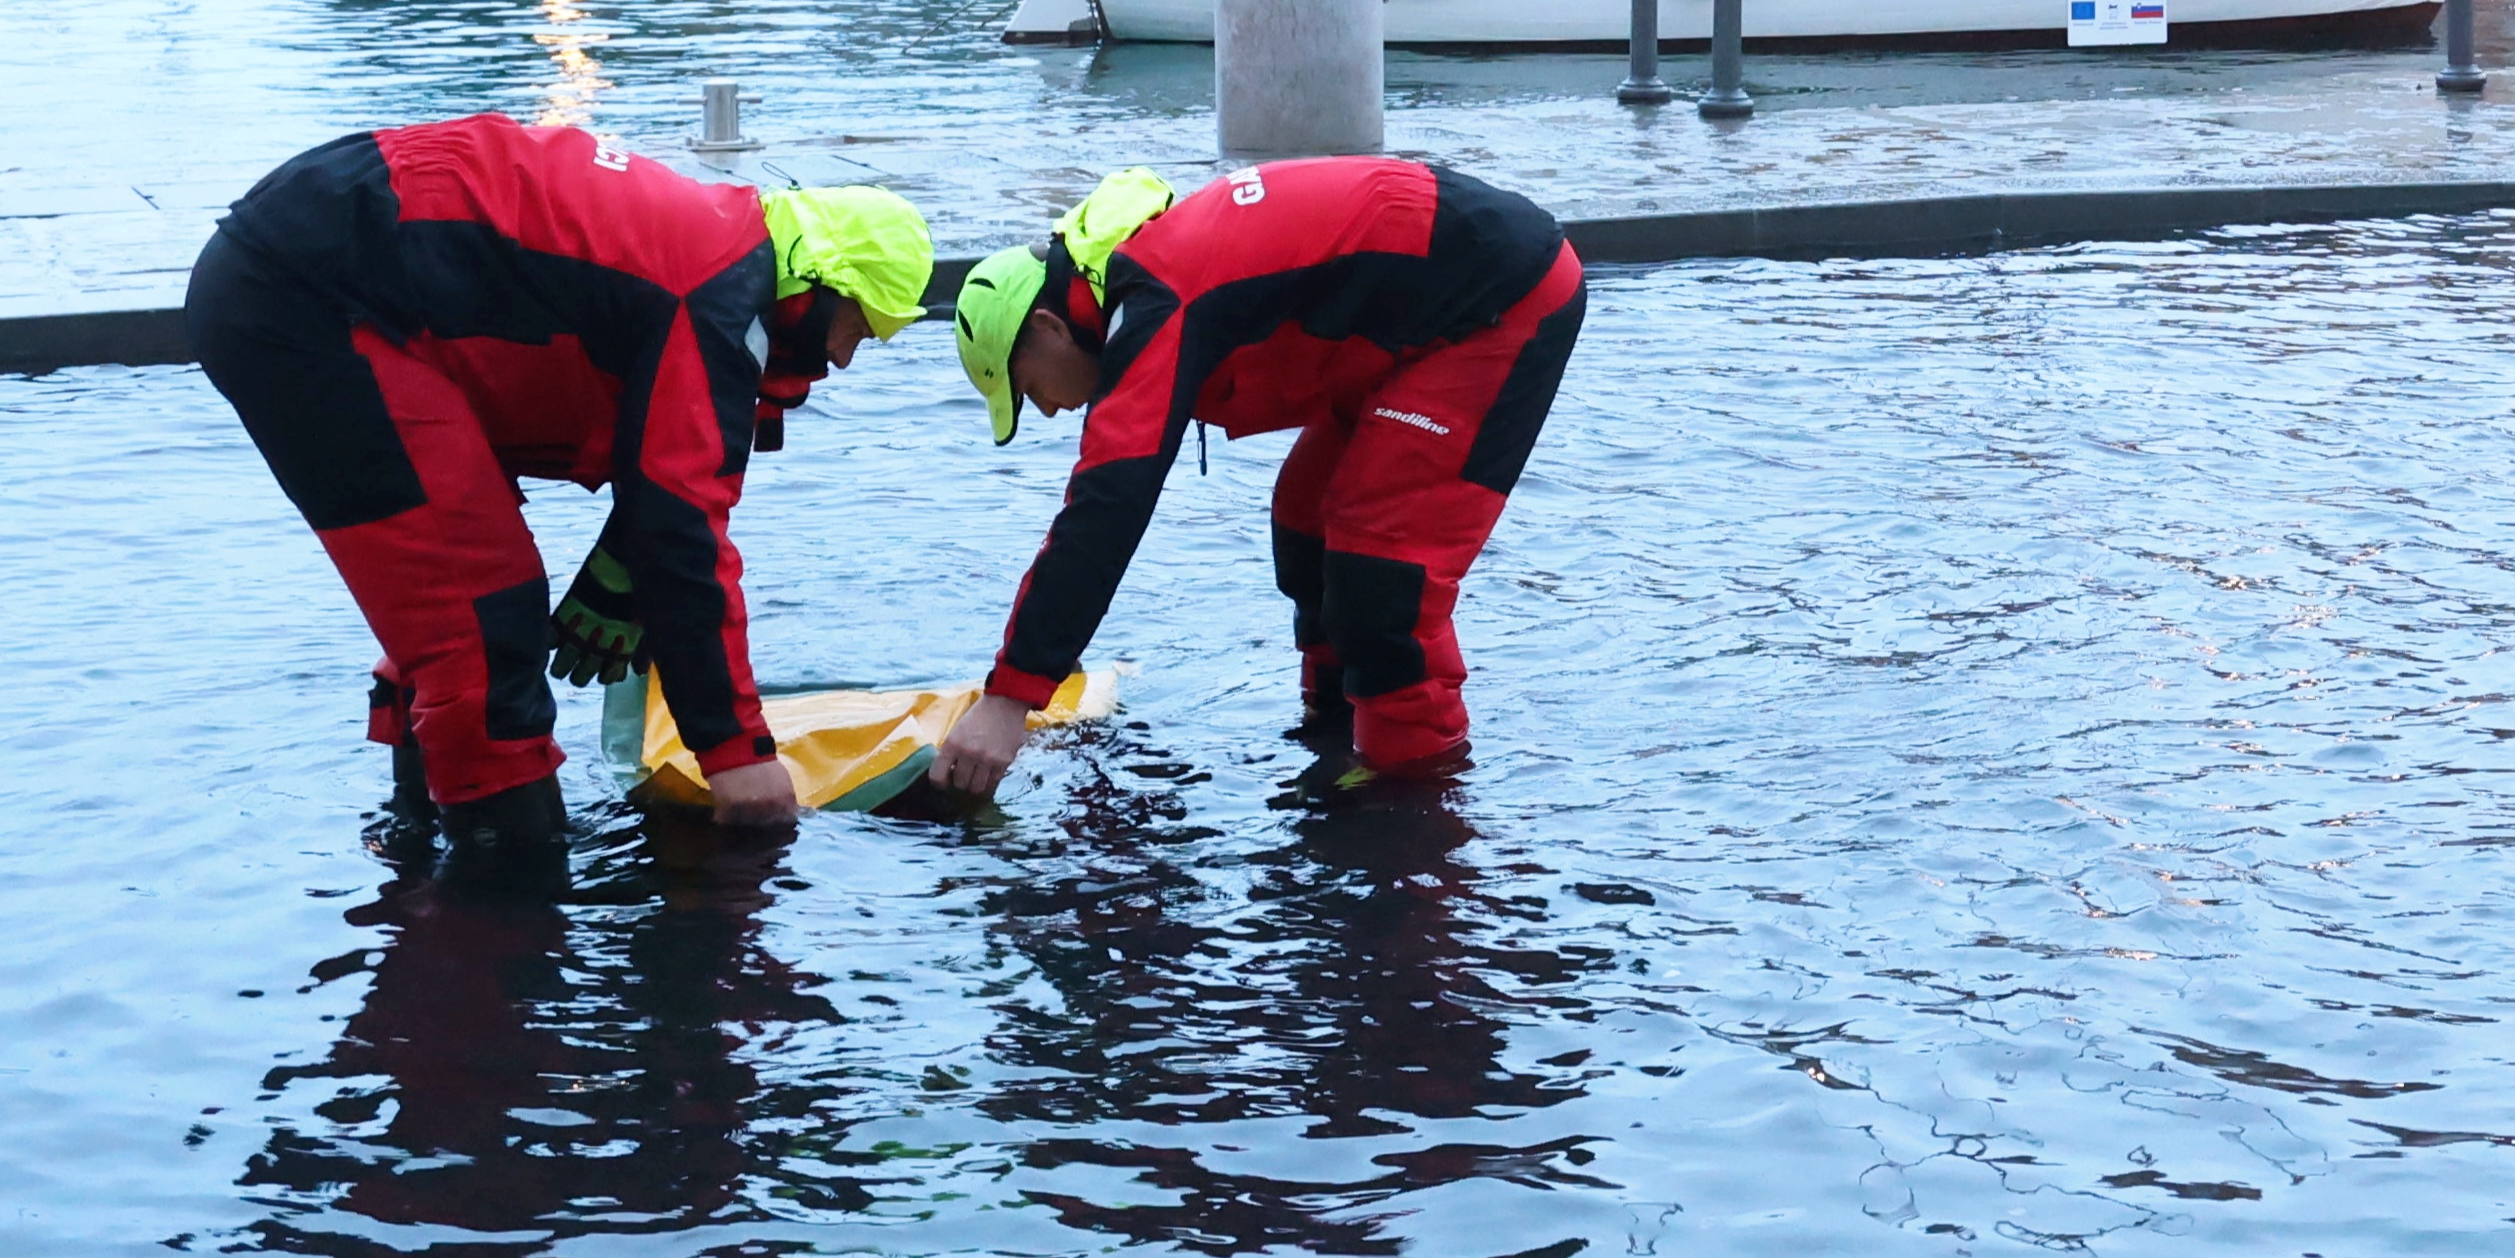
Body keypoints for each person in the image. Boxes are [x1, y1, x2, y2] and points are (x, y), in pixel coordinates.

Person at [189, 117, 935, 822]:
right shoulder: (707, 293)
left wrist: (629, 562)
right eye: (857, 329)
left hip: (326, 258)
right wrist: (738, 758)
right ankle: (504, 918)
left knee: (469, 610)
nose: (840, 359)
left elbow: (667, 480)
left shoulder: (711, 247)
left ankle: (419, 860)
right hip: (310, 296)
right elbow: (682, 532)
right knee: (482, 629)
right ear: (820, 283)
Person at [932, 155, 1585, 803]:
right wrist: (1045, 653)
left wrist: (1011, 696)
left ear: (1048, 328)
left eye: (1028, 389)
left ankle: (1413, 802)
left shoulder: (1157, 301)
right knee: (1305, 519)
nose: (1048, 409)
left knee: (1384, 577)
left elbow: (1108, 502)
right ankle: (1336, 739)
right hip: (1418, 317)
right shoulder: (1149, 280)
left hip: (1498, 298)